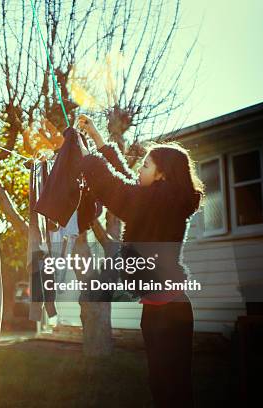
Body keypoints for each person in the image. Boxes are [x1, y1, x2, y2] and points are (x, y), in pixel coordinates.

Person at [73, 114, 204, 408]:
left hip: (167, 314)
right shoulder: (159, 200)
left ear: (161, 175)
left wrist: (83, 155)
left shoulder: (156, 204)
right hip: (163, 309)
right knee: (166, 385)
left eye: (146, 165)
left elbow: (114, 188)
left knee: (170, 389)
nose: (139, 169)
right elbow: (125, 181)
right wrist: (96, 138)